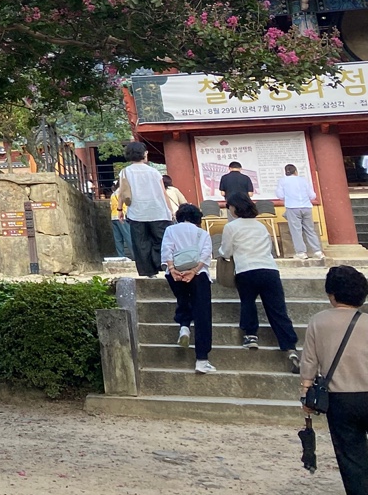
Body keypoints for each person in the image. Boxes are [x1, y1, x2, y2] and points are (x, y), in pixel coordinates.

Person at [301, 266, 368, 495]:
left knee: (351, 457)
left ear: (332, 294)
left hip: (340, 398)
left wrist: (306, 392)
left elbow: (309, 362)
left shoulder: (318, 321)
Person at [219, 192, 299, 367]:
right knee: (277, 309)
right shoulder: (261, 226)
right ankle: (290, 346)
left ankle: (251, 336)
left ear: (235, 208)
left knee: (248, 303)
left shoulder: (231, 227)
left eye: (229, 207)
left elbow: (226, 251)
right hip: (269, 269)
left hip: (246, 270)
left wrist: (222, 254)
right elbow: (268, 247)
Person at [160, 203, 216, 373]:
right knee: (202, 315)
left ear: (179, 217)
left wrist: (172, 270)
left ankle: (184, 326)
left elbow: (167, 250)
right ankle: (202, 360)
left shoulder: (171, 230)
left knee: (183, 299)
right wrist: (193, 271)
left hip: (175, 274)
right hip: (198, 275)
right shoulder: (202, 233)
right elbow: (205, 254)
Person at [115, 142, 173, 277]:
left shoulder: (125, 172)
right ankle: (163, 264)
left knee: (141, 243)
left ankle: (148, 271)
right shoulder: (154, 172)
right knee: (161, 241)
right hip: (158, 211)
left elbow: (122, 192)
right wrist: (170, 210)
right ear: (144, 154)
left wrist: (119, 209)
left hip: (137, 213)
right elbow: (163, 193)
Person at [280, 163, 323, 260]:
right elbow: (312, 195)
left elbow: (280, 195)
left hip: (292, 207)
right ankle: (318, 251)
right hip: (306, 207)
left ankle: (301, 253)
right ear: (295, 171)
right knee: (310, 230)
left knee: (296, 231)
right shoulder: (303, 180)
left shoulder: (283, 181)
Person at [108, 186, 133, 259]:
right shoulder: (125, 192)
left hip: (113, 217)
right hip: (122, 217)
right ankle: (135, 255)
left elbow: (111, 206)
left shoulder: (113, 195)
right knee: (128, 237)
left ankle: (121, 256)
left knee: (118, 239)